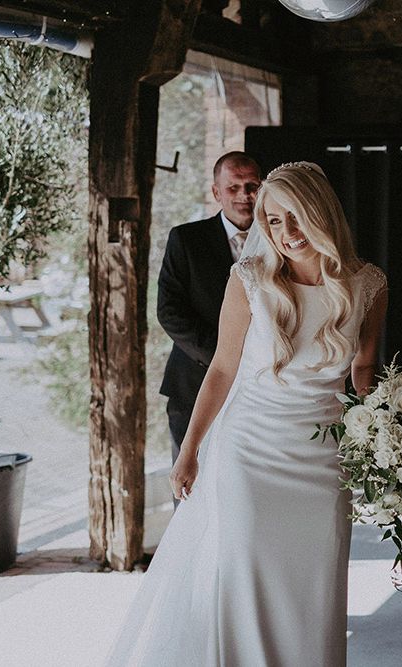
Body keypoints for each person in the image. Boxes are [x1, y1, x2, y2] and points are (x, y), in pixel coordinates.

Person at [106, 162, 388, 666]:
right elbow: (220, 369)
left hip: (322, 458)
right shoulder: (249, 280)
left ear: (321, 212)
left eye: (295, 216)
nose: (286, 233)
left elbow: (364, 368)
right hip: (249, 452)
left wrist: (389, 434)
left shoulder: (367, 285)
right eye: (273, 221)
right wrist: (189, 450)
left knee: (313, 584)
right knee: (244, 576)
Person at [157, 152, 261, 476]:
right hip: (193, 385)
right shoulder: (186, 239)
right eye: (234, 187)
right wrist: (225, 356)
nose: (244, 195)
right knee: (191, 487)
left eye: (252, 186)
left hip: (259, 391)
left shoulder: (281, 242)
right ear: (216, 192)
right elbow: (169, 311)